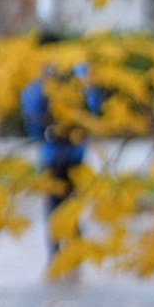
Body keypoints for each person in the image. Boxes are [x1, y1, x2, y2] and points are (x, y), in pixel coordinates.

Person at [20, 31, 98, 263]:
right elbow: (93, 104)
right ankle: (75, 249)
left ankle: (56, 252)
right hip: (75, 148)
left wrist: (40, 136)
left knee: (54, 202)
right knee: (72, 201)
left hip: (51, 150)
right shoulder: (77, 69)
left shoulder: (40, 75)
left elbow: (30, 108)